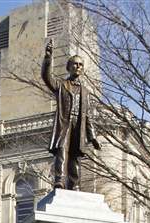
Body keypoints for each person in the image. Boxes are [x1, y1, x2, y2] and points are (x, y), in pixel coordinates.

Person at [42, 38, 101, 190]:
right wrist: (48, 58)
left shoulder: (86, 92)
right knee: (61, 149)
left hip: (78, 125)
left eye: (80, 65)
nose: (78, 67)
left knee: (75, 155)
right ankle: (59, 180)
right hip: (64, 123)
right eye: (75, 64)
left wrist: (92, 136)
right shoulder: (61, 85)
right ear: (68, 67)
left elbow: (87, 116)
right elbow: (47, 78)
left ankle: (74, 185)